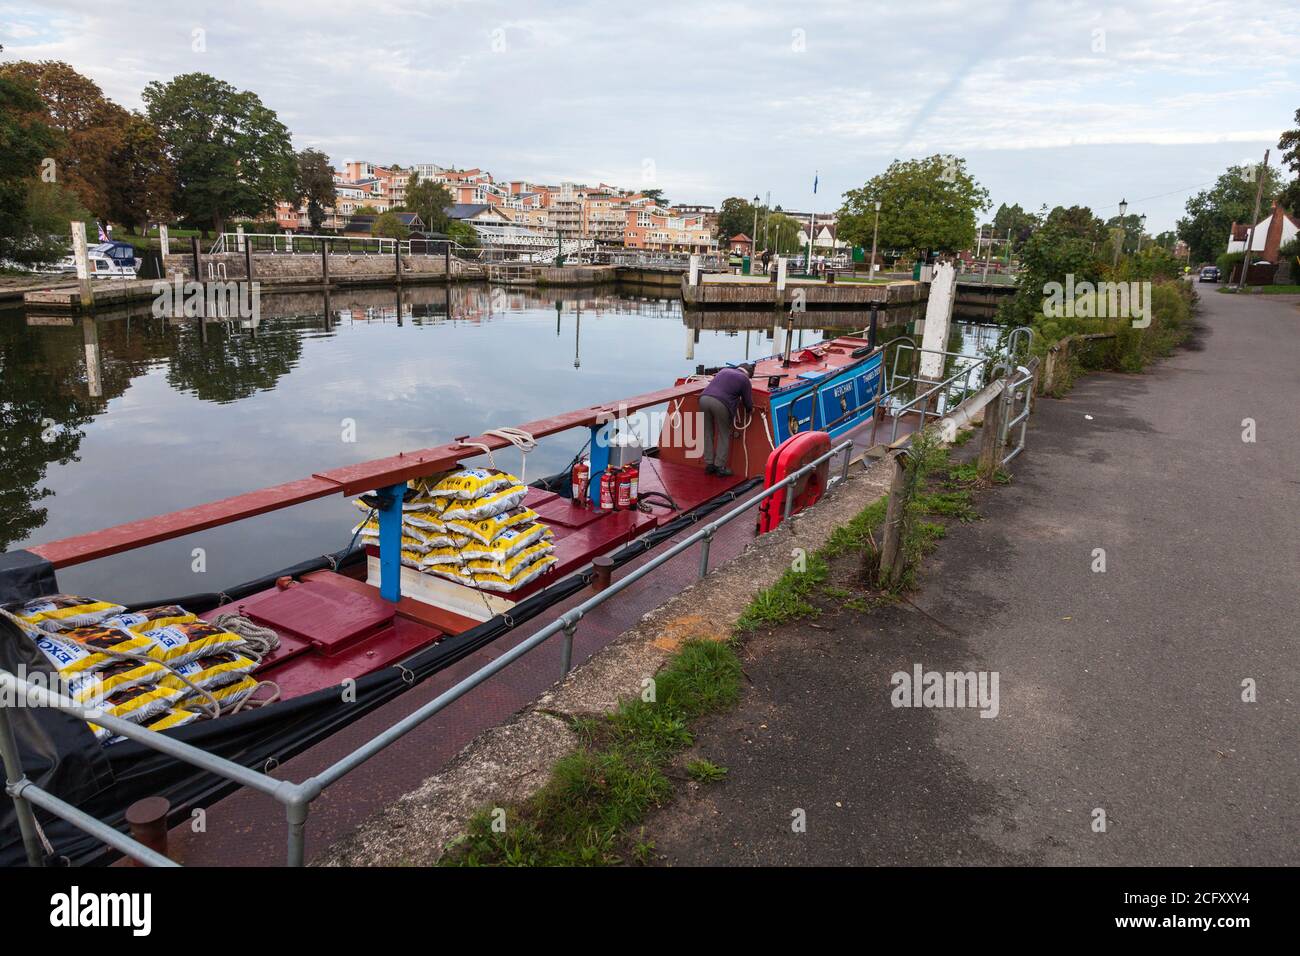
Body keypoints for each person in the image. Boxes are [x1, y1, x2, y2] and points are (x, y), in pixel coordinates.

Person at [699, 363, 754, 477]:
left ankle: (709, 464)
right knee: (723, 434)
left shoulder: (724, 370)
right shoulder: (745, 379)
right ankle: (720, 467)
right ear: (749, 374)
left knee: (707, 432)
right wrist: (750, 410)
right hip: (720, 404)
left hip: (703, 399)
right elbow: (748, 403)